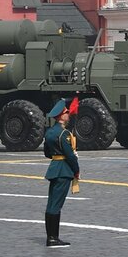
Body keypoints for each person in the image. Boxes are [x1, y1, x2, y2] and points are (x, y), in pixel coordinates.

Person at [43, 97, 81, 248]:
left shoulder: (50, 132)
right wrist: (76, 170)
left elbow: (47, 153)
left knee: (51, 203)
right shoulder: (64, 134)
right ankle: (53, 238)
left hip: (54, 168)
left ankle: (51, 237)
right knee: (56, 205)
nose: (68, 115)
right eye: (66, 113)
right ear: (61, 116)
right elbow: (70, 156)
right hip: (63, 170)